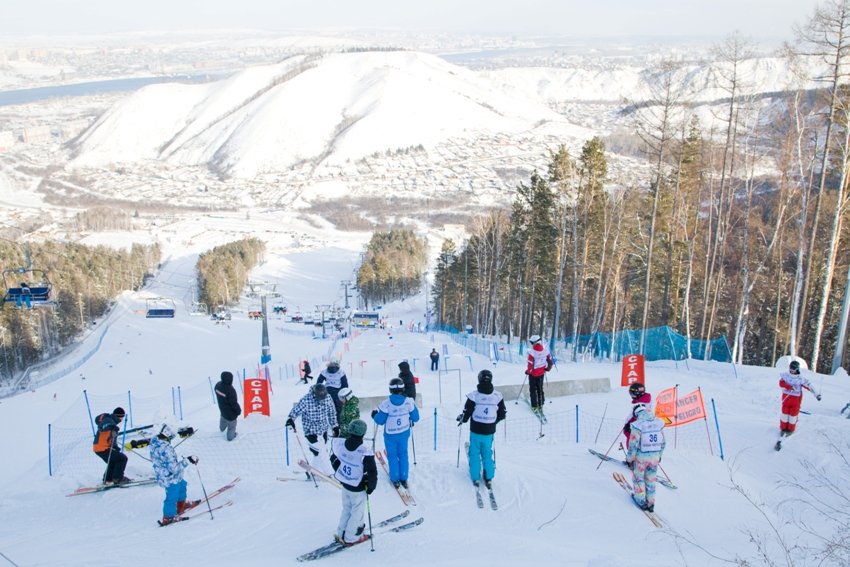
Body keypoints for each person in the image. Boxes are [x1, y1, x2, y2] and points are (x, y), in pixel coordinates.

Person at [330, 419, 377, 546]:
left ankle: (341, 533)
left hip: (345, 485)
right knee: (357, 512)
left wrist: (340, 472)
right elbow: (372, 471)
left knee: (347, 508)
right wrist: (371, 487)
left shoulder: (341, 444)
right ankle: (351, 538)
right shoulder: (364, 451)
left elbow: (333, 458)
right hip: (358, 488)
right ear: (363, 433)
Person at [457, 369, 506, 488]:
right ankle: (489, 477)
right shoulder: (497, 396)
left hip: (476, 430)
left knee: (474, 453)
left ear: (479, 379)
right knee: (487, 453)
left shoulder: (474, 396)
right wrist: (493, 422)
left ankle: (475, 477)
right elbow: (502, 414)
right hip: (489, 431)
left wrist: (462, 419)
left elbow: (466, 413)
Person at [371, 378, 420, 488]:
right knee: (403, 454)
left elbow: (380, 420)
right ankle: (404, 477)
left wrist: (374, 415)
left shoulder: (386, 404)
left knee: (392, 455)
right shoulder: (409, 401)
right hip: (404, 433)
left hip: (390, 435)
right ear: (402, 389)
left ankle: (395, 478)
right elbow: (416, 418)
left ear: (390, 389)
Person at [149, 423, 200, 526]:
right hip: (169, 477)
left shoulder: (156, 441)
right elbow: (174, 469)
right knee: (172, 496)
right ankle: (168, 517)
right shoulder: (165, 448)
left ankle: (181, 505)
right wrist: (188, 460)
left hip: (171, 475)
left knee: (182, 486)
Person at [626, 404, 666, 513]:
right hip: (654, 458)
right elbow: (663, 442)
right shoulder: (658, 423)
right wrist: (659, 455)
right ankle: (651, 503)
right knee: (651, 479)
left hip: (641, 459)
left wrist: (629, 459)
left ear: (637, 414)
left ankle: (640, 500)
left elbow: (633, 445)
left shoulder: (638, 425)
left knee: (638, 478)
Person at [286, 383, 338, 457]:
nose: (322, 400)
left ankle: (320, 463)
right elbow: (296, 411)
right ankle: (320, 462)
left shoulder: (328, 398)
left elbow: (332, 412)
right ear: (315, 394)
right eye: (320, 398)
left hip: (323, 428)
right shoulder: (306, 400)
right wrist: (290, 419)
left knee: (323, 450)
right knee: (317, 452)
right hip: (310, 430)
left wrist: (334, 426)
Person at [779, 359, 822, 436]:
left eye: (793, 369)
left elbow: (809, 386)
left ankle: (790, 429)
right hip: (786, 400)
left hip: (795, 401)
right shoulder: (786, 376)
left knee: (792, 416)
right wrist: (789, 386)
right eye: (790, 368)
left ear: (797, 369)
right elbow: (781, 383)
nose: (791, 370)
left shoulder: (800, 379)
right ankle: (783, 428)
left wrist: (817, 394)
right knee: (784, 415)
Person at [92, 407, 130, 485]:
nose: (122, 419)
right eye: (122, 417)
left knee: (113, 461)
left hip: (100, 447)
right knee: (122, 458)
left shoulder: (112, 422)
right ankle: (118, 479)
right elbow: (102, 426)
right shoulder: (108, 420)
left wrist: (115, 447)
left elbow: (111, 437)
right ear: (119, 416)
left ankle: (108, 479)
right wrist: (110, 426)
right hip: (102, 448)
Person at [525, 335, 554, 410]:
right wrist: (547, 369)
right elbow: (550, 362)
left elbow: (530, 365)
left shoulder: (532, 353)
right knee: (540, 388)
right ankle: (541, 404)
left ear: (534, 343)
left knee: (533, 390)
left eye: (532, 343)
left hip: (533, 375)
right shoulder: (546, 351)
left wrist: (528, 372)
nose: (531, 344)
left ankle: (534, 406)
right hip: (541, 374)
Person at [623, 382, 652, 447]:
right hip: (643, 428)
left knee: (634, 446)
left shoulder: (640, 405)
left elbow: (638, 416)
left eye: (632, 394)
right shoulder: (646, 401)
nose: (632, 396)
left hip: (635, 429)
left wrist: (627, 425)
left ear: (637, 393)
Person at [214, 371, 241, 441]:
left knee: (223, 418)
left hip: (222, 410)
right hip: (231, 415)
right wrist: (238, 411)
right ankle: (230, 437)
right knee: (231, 427)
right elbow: (234, 403)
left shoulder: (218, 385)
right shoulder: (231, 390)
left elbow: (216, 391)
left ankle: (222, 428)